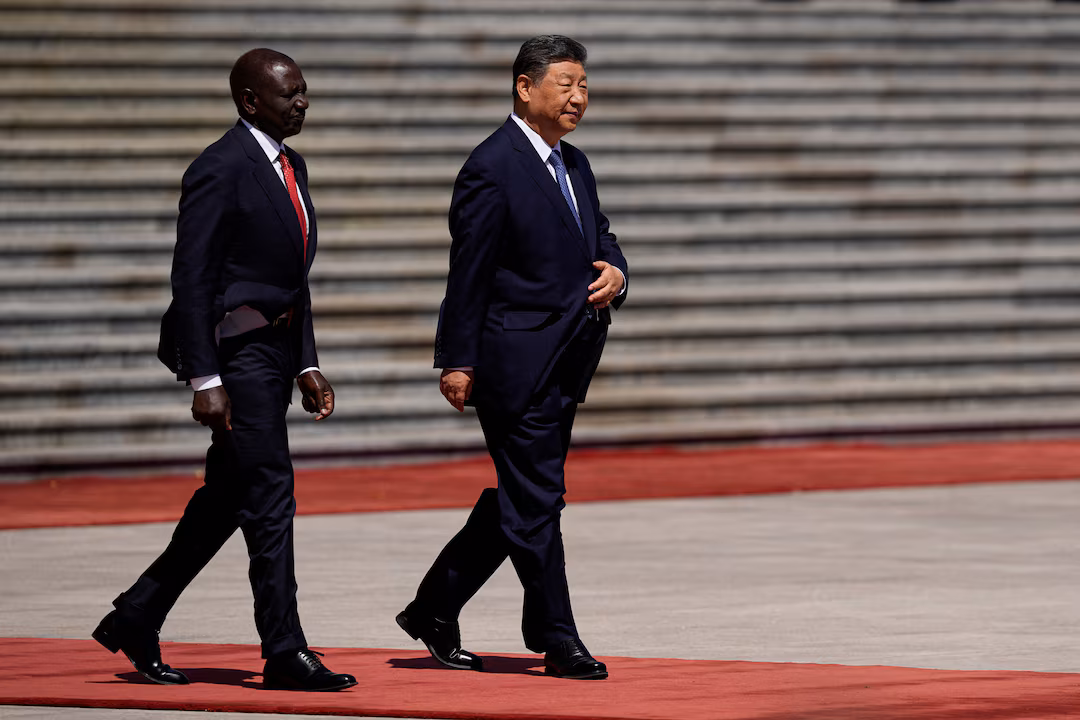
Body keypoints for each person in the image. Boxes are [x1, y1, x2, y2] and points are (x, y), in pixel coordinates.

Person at [92, 48, 356, 692]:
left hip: (274, 351)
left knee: (226, 501)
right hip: (235, 357)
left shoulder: (290, 164)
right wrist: (204, 379)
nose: (303, 103)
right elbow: (193, 279)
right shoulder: (218, 168)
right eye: (290, 93)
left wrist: (307, 362)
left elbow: (291, 278)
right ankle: (284, 650)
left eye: (304, 91)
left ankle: (137, 614)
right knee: (270, 497)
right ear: (249, 100)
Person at [395, 35, 628, 681]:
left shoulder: (574, 163)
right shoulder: (490, 166)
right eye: (566, 83)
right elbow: (466, 273)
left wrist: (618, 272)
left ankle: (434, 606)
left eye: (584, 83)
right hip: (511, 362)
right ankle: (556, 637)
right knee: (537, 498)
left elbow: (600, 234)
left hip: (568, 359)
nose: (579, 96)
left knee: (527, 497)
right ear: (525, 88)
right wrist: (456, 359)